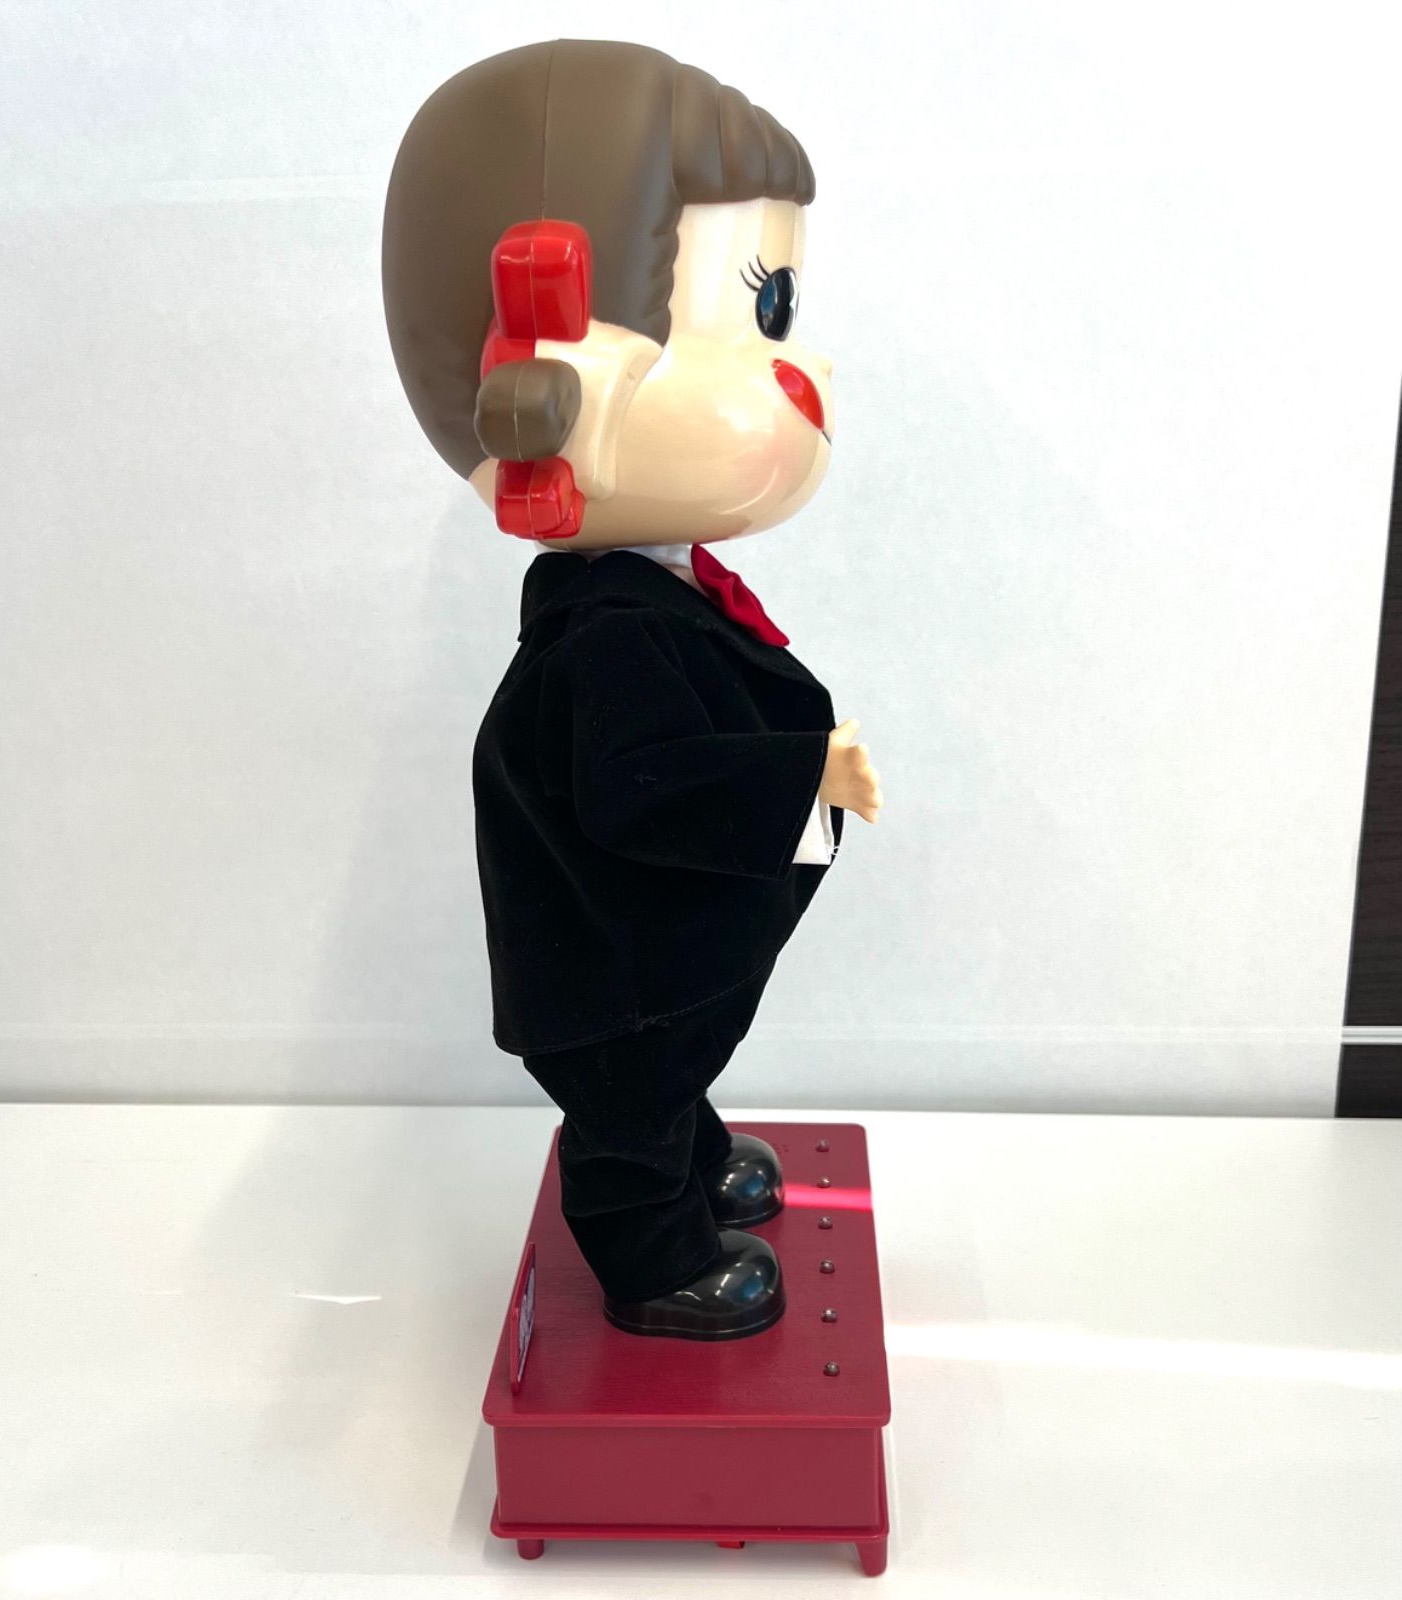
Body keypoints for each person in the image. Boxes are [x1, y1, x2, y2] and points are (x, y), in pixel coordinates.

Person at [382, 39, 882, 1340]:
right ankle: (652, 1259)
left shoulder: (638, 599)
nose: (800, 376)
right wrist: (803, 773)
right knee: (630, 1110)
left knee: (672, 1075)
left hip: (654, 960)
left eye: (780, 318)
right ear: (562, 378)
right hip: (615, 973)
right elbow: (641, 789)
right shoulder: (602, 639)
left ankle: (691, 1153)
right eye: (750, 317)